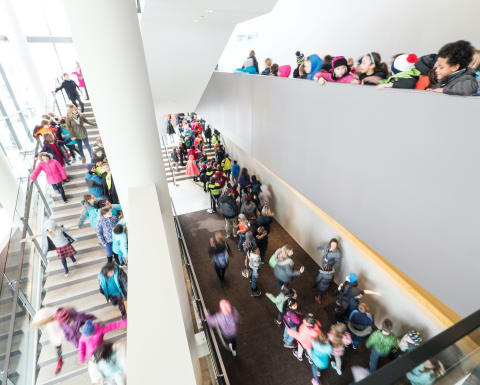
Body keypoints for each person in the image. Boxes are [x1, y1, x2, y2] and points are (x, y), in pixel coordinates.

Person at [31, 307, 65, 374]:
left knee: (60, 344)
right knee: (58, 346)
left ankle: (60, 360)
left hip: (61, 329)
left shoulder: (53, 317)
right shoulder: (46, 316)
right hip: (56, 333)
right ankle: (60, 360)